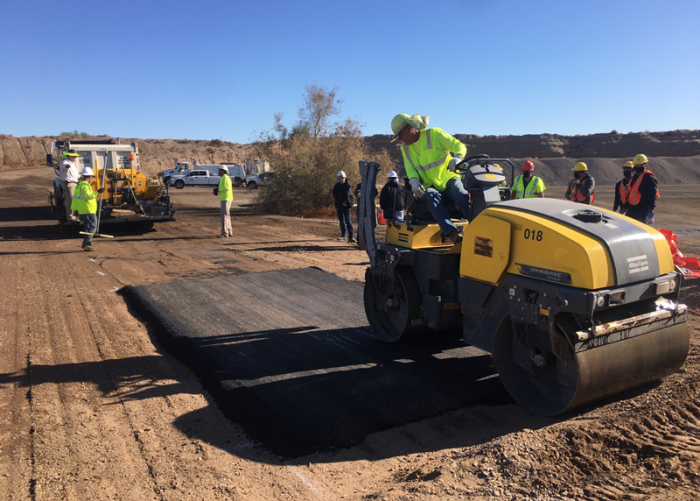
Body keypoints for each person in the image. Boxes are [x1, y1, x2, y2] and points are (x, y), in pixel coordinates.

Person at [390, 113, 470, 243]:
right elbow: (410, 169)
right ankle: (452, 233)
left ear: (409, 128)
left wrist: (458, 157)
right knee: (430, 197)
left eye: (400, 134)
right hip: (429, 185)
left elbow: (458, 145)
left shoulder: (434, 134)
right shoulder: (406, 149)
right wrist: (414, 180)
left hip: (448, 178)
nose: (400, 138)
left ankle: (478, 224)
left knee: (460, 194)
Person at [71, 167, 104, 251]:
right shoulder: (85, 186)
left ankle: (86, 242)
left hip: (82, 210)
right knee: (92, 226)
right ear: (89, 177)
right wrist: (98, 192)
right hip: (88, 210)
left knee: (88, 226)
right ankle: (87, 243)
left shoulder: (79, 185)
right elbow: (88, 196)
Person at [625, 154, 659, 225]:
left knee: (638, 231)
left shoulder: (649, 178)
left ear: (645, 165)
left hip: (642, 211)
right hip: (632, 209)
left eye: (640, 166)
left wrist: (650, 211)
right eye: (636, 166)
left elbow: (652, 195)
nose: (638, 168)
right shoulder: (635, 177)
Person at [332, 171, 355, 243]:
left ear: (345, 178)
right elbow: (335, 195)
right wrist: (340, 195)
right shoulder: (336, 186)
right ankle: (343, 236)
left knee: (348, 221)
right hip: (339, 205)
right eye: (339, 178)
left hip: (346, 206)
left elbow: (346, 195)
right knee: (342, 221)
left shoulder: (348, 185)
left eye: (342, 178)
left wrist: (349, 204)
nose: (341, 179)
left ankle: (351, 237)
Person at [59, 149, 81, 222]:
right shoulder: (65, 162)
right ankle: (71, 217)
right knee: (70, 201)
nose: (75, 158)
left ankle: (74, 216)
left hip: (74, 184)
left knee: (74, 201)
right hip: (69, 184)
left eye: (75, 156)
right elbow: (65, 166)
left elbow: (75, 174)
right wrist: (67, 166)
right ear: (69, 156)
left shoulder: (72, 164)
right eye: (74, 156)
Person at [213, 166, 233, 237]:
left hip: (226, 199)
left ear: (223, 171)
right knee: (227, 215)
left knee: (224, 216)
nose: (218, 172)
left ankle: (225, 233)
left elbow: (226, 188)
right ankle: (229, 231)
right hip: (226, 198)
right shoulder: (224, 178)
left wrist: (218, 189)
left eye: (220, 170)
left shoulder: (225, 178)